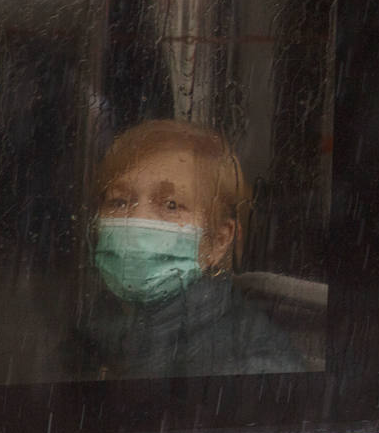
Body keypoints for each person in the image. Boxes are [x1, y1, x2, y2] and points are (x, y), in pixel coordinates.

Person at [76, 119, 305, 378]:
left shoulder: (252, 365)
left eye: (171, 205)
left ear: (219, 241)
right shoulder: (97, 327)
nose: (137, 220)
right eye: (119, 202)